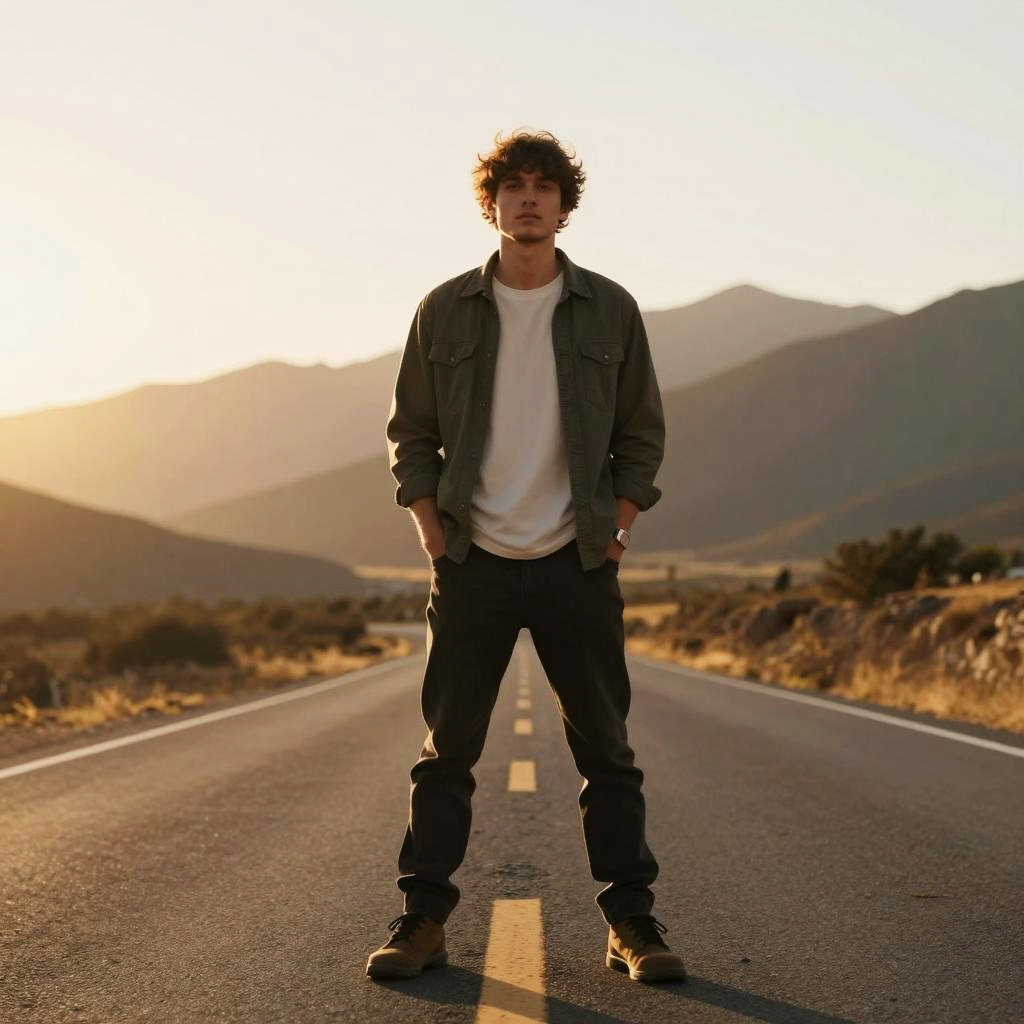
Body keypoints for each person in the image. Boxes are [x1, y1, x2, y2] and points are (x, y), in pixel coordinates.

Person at [367, 130, 684, 984]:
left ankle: (632, 924)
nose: (531, 199)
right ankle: (422, 920)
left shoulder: (610, 309)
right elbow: (413, 434)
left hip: (575, 562)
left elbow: (639, 434)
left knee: (606, 752)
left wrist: (615, 527)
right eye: (515, 186)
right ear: (493, 203)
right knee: (447, 752)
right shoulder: (444, 309)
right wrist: (432, 530)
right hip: (472, 560)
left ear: (564, 205)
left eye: (546, 186)